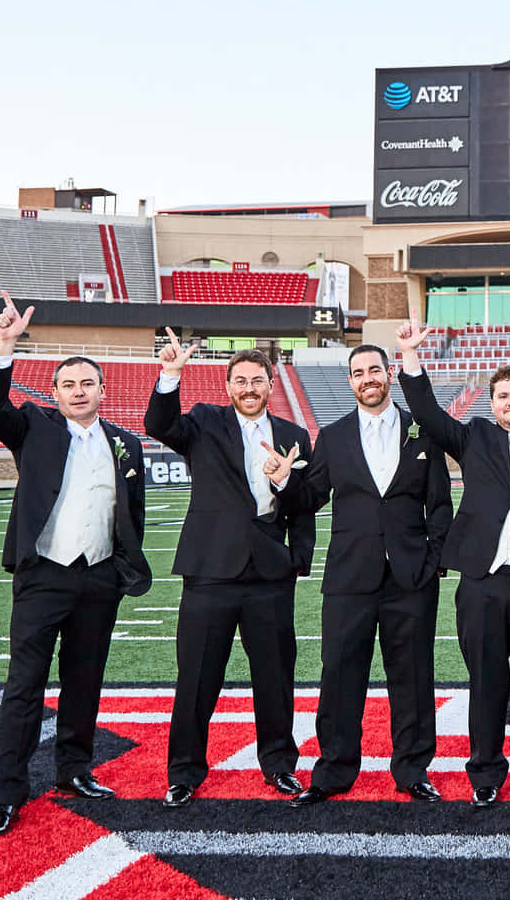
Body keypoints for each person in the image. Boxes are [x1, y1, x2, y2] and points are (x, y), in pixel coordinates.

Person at [0, 292, 151, 838]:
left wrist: (120, 570)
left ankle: (74, 771)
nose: (78, 391)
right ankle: (7, 791)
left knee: (84, 680)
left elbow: (132, 512)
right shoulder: (33, 426)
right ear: (54, 393)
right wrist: (4, 347)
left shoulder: (125, 443)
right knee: (25, 684)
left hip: (98, 577)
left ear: (103, 389)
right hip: (44, 574)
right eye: (68, 384)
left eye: (87, 383)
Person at [394, 321, 510, 808]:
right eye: (503, 396)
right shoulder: (474, 437)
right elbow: (428, 414)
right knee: (485, 683)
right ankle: (486, 773)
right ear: (492, 402)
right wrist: (410, 357)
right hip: (480, 583)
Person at [146, 335, 313, 806]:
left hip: (269, 575)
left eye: (257, 380)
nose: (249, 387)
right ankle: (184, 772)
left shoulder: (294, 436)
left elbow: (303, 509)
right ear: (227, 385)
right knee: (197, 676)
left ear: (270, 384)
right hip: (211, 571)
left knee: (275, 677)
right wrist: (171, 375)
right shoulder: (203, 421)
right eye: (240, 381)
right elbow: (159, 424)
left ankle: (280, 765)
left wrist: (297, 557)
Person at [291, 343, 453, 804]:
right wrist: (285, 480)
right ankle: (333, 771)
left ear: (389, 373)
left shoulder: (422, 432)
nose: (368, 379)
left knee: (414, 677)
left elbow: (440, 504)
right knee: (340, 674)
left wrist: (433, 561)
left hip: (410, 577)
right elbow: (310, 498)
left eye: (375, 370)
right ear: (350, 382)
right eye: (358, 372)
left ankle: (413, 769)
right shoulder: (334, 436)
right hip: (349, 577)